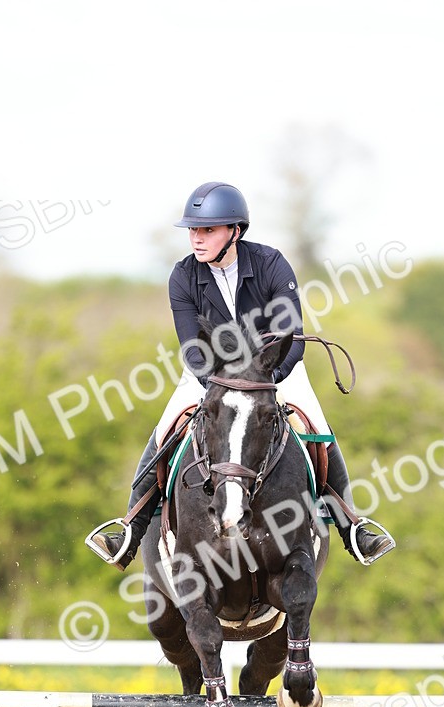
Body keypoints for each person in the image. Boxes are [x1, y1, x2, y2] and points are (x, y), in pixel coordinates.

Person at [87, 181, 395, 569]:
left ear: (235, 231)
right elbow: (193, 350)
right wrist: (221, 386)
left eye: (207, 230)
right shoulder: (182, 276)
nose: (196, 239)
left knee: (319, 429)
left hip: (275, 373)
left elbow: (293, 337)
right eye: (193, 231)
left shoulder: (270, 264)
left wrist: (268, 382)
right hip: (211, 376)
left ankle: (354, 527)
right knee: (164, 431)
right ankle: (129, 530)